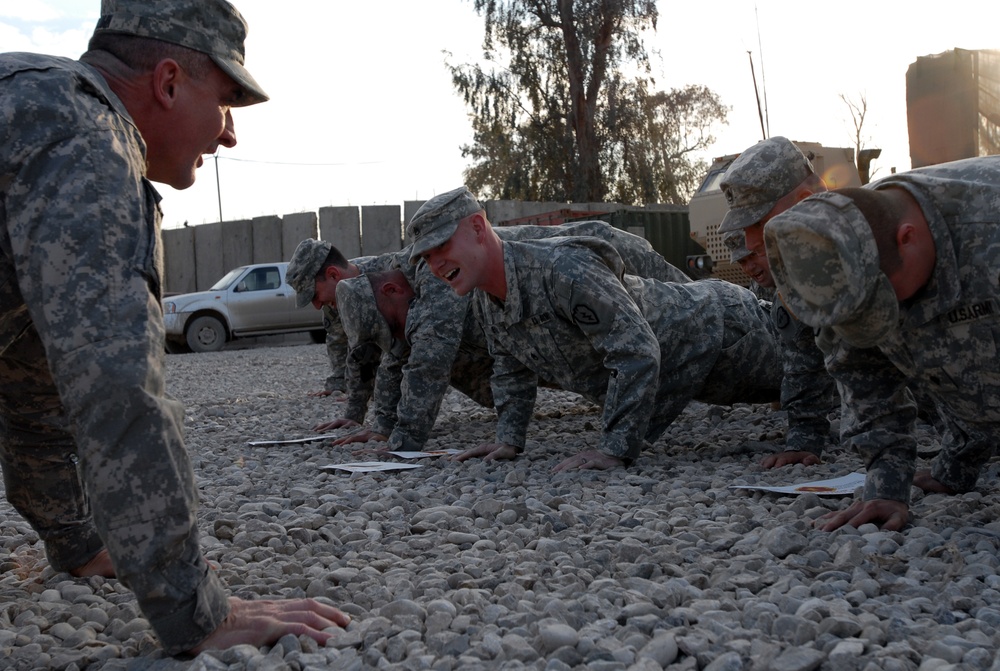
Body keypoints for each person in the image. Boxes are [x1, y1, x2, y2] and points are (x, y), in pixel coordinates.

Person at [0, 0, 349, 656]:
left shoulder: (32, 110)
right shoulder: (86, 136)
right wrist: (196, 608)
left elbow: (31, 378)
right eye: (224, 103)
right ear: (166, 82)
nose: (229, 135)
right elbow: (115, 385)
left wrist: (79, 543)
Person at [407, 187, 784, 471]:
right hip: (695, 372)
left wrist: (614, 449)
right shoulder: (487, 299)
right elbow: (510, 368)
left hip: (726, 332)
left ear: (477, 227)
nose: (436, 264)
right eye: (426, 257)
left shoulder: (561, 269)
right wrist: (508, 440)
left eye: (441, 247)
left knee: (818, 368)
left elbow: (635, 352)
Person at [290, 216, 689, 453]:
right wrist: (368, 418)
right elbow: (386, 350)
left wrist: (401, 440)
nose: (316, 306)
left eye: (315, 295)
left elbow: (427, 356)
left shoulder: (410, 276)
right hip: (546, 293)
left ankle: (743, 319)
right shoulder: (370, 290)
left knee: (682, 301)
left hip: (593, 249)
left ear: (333, 274)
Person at [762, 155, 1000, 531]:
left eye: (880, 304)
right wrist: (887, 489)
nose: (878, 322)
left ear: (908, 238)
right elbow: (865, 379)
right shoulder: (841, 262)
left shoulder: (989, 233)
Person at [716, 137, 840, 470]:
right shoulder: (795, 272)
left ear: (806, 201)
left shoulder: (886, 237)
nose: (752, 243)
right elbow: (804, 358)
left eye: (759, 224)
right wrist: (804, 441)